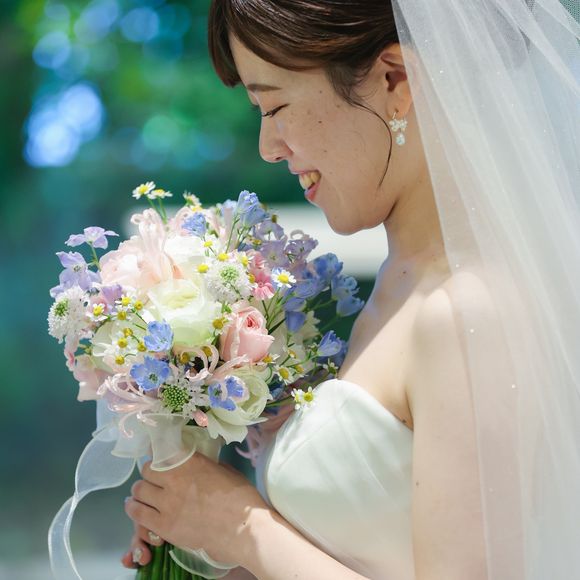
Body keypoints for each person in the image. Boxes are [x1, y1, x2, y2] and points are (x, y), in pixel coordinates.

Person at [121, 1, 580, 579]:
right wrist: (198, 538)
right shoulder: (402, 283)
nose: (268, 146)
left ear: (395, 80)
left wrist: (239, 527)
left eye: (276, 106)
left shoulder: (468, 312)